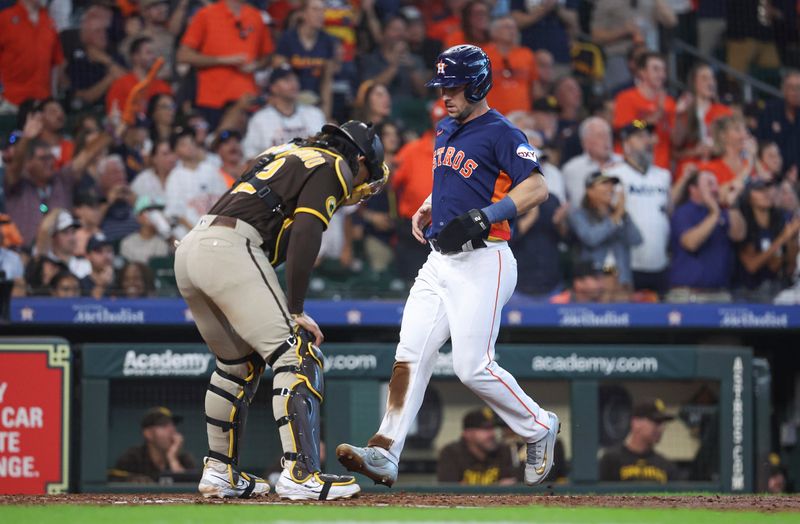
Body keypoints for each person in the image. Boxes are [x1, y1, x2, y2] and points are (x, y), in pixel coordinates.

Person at [336, 45, 560, 488]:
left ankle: (539, 426)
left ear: (476, 83)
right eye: (442, 87)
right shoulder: (445, 126)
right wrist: (429, 204)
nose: (446, 95)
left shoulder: (502, 131)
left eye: (453, 86)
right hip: (439, 261)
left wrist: (487, 215)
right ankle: (385, 450)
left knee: (471, 366)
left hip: (485, 258)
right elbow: (459, 181)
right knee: (410, 356)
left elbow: (538, 188)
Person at [174, 120, 388, 500]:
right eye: (366, 172)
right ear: (358, 157)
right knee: (298, 352)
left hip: (194, 245)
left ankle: (220, 472)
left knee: (236, 366)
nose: (362, 183)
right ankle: (300, 473)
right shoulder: (335, 164)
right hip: (232, 247)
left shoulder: (284, 152)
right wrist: (296, 309)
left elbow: (264, 208)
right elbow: (306, 233)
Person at [177, 0, 274, 129]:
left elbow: (268, 57)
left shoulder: (256, 16)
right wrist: (223, 60)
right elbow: (183, 55)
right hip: (212, 100)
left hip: (246, 98)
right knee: (213, 144)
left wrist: (255, 65)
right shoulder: (206, 14)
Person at [605, 121, 672, 295]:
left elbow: (667, 212)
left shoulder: (663, 176)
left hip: (659, 260)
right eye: (640, 137)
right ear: (626, 145)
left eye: (648, 136)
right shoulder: (613, 175)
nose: (647, 141)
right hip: (626, 263)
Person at [666, 170, 746, 303]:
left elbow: (738, 235)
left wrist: (733, 205)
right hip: (688, 295)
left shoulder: (725, 212)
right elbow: (690, 243)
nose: (715, 188)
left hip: (720, 294)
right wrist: (714, 214)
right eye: (709, 184)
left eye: (716, 184)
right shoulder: (683, 212)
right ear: (693, 189)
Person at [567, 171, 642, 296]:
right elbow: (591, 238)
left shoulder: (620, 214)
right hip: (593, 281)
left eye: (612, 184)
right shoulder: (579, 215)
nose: (610, 188)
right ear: (590, 190)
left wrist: (623, 215)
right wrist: (616, 216)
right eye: (604, 184)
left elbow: (636, 239)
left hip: (621, 279)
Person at [391, 101, 441, 281]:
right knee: (414, 287)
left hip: (450, 229)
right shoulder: (412, 150)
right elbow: (388, 184)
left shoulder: (466, 149)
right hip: (415, 231)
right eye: (439, 120)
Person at [242, 64, 326, 159]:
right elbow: (250, 155)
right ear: (273, 87)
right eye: (287, 80)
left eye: (295, 79)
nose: (294, 84)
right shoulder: (260, 118)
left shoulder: (314, 113)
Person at [734, 179, 800, 301]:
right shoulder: (743, 225)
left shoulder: (780, 220)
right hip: (748, 293)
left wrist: (792, 239)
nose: (765, 194)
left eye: (766, 190)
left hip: (779, 289)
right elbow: (751, 266)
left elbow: (789, 267)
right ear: (748, 197)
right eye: (759, 190)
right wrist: (782, 238)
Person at [613, 52, 676, 171]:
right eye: (656, 69)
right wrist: (648, 121)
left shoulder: (669, 102)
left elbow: (674, 137)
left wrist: (682, 116)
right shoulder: (626, 97)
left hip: (661, 168)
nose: (661, 75)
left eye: (663, 70)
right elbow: (625, 126)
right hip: (632, 166)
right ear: (642, 72)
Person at [274, 0, 336, 118]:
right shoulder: (287, 39)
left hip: (316, 103)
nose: (320, 14)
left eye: (323, 10)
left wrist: (326, 115)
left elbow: (327, 82)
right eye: (315, 9)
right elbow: (278, 77)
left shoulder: (327, 41)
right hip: (291, 104)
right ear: (302, 13)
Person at [671, 63, 733, 181]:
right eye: (704, 78)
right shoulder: (679, 108)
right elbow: (674, 146)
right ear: (694, 83)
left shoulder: (724, 111)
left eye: (712, 78)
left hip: (717, 170)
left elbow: (735, 144)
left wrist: (716, 149)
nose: (710, 83)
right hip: (689, 172)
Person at [0, 0, 64, 112]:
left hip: (42, 103)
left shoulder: (49, 22)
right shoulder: (5, 18)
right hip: (10, 101)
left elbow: (56, 63)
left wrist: (52, 98)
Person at [598, 398, 679, 484]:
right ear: (635, 422)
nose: (661, 428)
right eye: (656, 421)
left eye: (663, 423)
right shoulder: (611, 461)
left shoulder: (667, 466)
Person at [110, 407, 196, 483]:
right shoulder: (133, 458)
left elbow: (189, 488)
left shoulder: (183, 459)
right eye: (163, 425)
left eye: (173, 425)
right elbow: (114, 480)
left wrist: (172, 458)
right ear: (148, 434)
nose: (172, 429)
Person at [437, 408, 517, 485]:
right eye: (485, 429)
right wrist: (497, 487)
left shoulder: (503, 450)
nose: (492, 434)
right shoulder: (451, 453)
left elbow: (510, 484)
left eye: (493, 428)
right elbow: (449, 492)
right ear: (467, 433)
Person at [483, 15, 539, 116]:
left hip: (521, 116)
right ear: (494, 32)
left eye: (514, 28)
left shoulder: (527, 54)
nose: (512, 31)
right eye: (507, 27)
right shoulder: (482, 55)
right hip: (492, 117)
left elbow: (534, 88)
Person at [105, 36, 172, 116]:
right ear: (135, 57)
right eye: (149, 52)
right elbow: (114, 118)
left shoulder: (163, 87)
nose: (154, 57)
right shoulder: (120, 85)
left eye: (155, 53)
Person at [562, 117, 621, 208]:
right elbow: (577, 204)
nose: (606, 140)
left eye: (608, 135)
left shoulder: (623, 163)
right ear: (585, 142)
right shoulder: (572, 169)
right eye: (600, 136)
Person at [510, 0, 578, 77]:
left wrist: (556, 7)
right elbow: (517, 21)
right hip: (530, 52)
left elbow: (573, 21)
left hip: (559, 55)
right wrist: (543, 8)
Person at [756, 71, 800, 174]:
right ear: (783, 90)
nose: (796, 92)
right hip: (771, 174)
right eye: (791, 87)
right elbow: (762, 145)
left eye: (799, 88)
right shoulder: (770, 111)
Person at [120, 196, 171, 265]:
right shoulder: (127, 243)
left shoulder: (163, 243)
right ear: (138, 217)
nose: (154, 215)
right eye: (149, 211)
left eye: (158, 211)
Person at [79, 233, 115, 299]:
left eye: (109, 250)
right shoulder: (81, 284)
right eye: (99, 251)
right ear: (88, 256)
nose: (105, 256)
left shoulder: (122, 280)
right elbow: (86, 307)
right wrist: (101, 285)